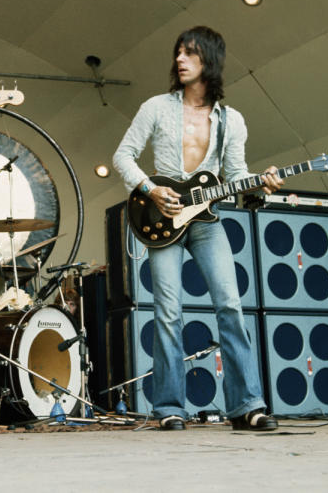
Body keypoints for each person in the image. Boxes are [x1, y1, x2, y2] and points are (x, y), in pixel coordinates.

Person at [112, 26, 282, 431]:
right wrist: (152, 191)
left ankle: (247, 405)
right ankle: (170, 406)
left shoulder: (232, 120)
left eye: (190, 53)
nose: (180, 60)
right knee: (168, 311)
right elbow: (123, 156)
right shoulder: (156, 107)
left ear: (210, 59)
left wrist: (262, 183)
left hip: (206, 221)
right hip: (162, 218)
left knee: (230, 303)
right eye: (178, 53)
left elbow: (236, 176)